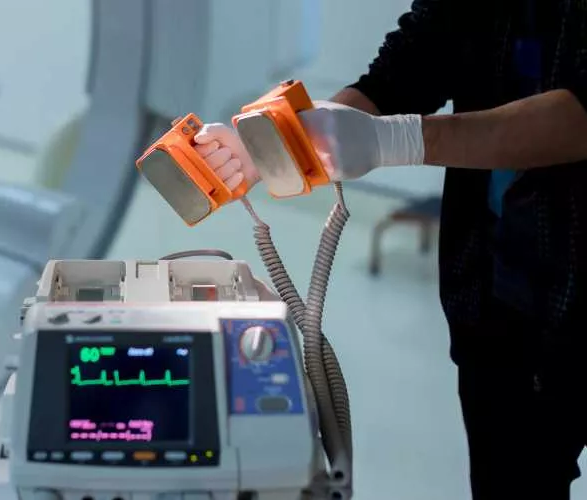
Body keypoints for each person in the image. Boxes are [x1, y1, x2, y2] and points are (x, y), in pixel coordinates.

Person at [192, 1, 587, 499]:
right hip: (494, 291)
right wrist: (282, 144)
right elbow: (417, 57)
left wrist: (400, 140)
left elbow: (580, 114)